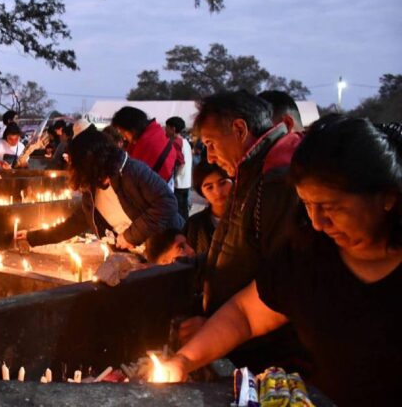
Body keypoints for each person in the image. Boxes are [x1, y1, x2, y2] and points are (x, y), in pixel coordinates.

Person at [154, 116, 402, 405]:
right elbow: (246, 315)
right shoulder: (309, 253)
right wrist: (184, 361)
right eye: (308, 205)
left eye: (332, 207)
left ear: (387, 197)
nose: (318, 222)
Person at [177, 90, 308, 373]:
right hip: (236, 339)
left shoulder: (275, 180)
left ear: (239, 129)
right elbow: (236, 249)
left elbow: (277, 288)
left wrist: (216, 329)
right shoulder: (250, 173)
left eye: (211, 143)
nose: (209, 157)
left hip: (266, 358)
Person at [17, 122, 184, 252]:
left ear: (88, 160)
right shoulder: (91, 192)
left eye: (73, 161)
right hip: (138, 259)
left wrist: (131, 237)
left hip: (170, 249)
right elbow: (72, 225)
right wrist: (32, 237)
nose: (70, 165)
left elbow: (167, 203)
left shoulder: (131, 172)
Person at [111, 106, 177, 184]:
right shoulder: (155, 132)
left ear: (132, 128)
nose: (124, 138)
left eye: (123, 132)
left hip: (156, 191)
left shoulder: (146, 143)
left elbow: (133, 176)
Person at [185, 155, 232, 255]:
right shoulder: (193, 225)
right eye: (209, 187)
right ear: (202, 192)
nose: (218, 192)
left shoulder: (249, 217)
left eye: (222, 183)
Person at [166, 116, 193, 221]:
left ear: (173, 129)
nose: (165, 130)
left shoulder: (176, 142)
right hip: (185, 182)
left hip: (178, 182)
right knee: (184, 210)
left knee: (178, 212)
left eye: (167, 127)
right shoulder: (185, 142)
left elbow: (179, 161)